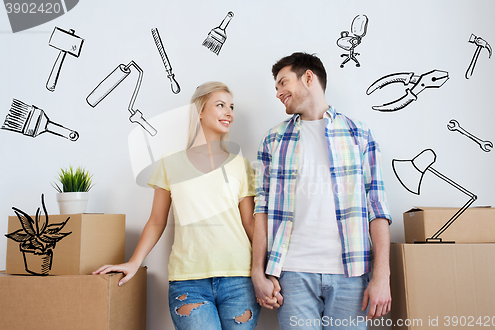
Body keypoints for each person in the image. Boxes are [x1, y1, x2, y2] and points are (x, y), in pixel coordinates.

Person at [94, 82, 261, 330]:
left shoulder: (240, 164)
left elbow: (249, 222)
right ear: (200, 111)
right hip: (188, 282)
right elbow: (156, 220)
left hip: (239, 278)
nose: (229, 113)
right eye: (220, 105)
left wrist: (268, 269)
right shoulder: (169, 164)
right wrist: (133, 262)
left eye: (232, 107)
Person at [251, 53, 392, 329]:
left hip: (351, 273)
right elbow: (262, 209)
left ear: (308, 77)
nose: (278, 93)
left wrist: (382, 276)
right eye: (276, 88)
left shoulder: (359, 134)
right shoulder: (273, 139)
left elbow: (378, 208)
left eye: (283, 83)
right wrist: (258, 270)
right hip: (291, 274)